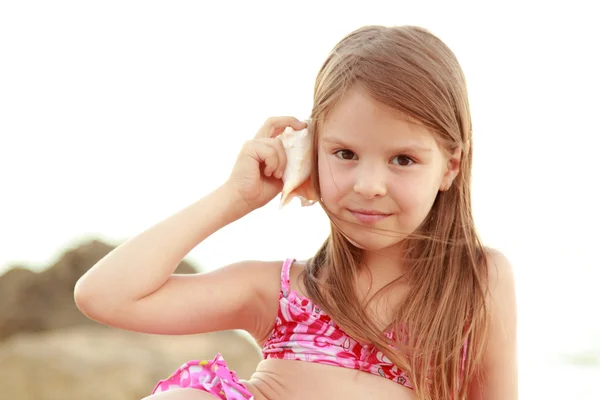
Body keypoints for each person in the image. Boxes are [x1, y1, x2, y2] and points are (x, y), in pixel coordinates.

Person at [74, 25, 518, 400]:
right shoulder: (282, 294)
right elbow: (105, 296)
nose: (368, 185)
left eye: (403, 159)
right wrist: (235, 197)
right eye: (344, 152)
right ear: (310, 151)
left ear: (451, 167)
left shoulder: (476, 283)